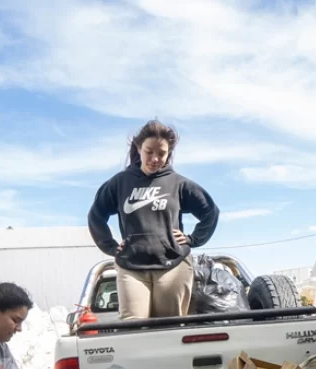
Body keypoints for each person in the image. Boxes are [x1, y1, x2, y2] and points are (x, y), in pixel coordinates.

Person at [88, 119, 220, 319]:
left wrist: (193, 239)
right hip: (131, 266)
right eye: (149, 151)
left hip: (173, 264)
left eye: (162, 153)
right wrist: (110, 246)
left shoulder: (178, 183)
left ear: (169, 154)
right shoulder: (120, 182)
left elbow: (210, 211)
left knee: (169, 329)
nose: (155, 158)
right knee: (133, 326)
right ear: (139, 148)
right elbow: (96, 215)